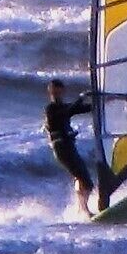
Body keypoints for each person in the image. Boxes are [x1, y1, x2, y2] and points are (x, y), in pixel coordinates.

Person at [43, 79, 98, 209]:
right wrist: (81, 98)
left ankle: (82, 209)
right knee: (87, 182)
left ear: (62, 91)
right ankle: (84, 210)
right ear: (50, 92)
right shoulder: (50, 109)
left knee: (82, 178)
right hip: (61, 148)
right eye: (53, 91)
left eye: (58, 90)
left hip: (68, 147)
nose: (55, 93)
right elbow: (67, 112)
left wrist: (102, 102)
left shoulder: (63, 106)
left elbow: (80, 109)